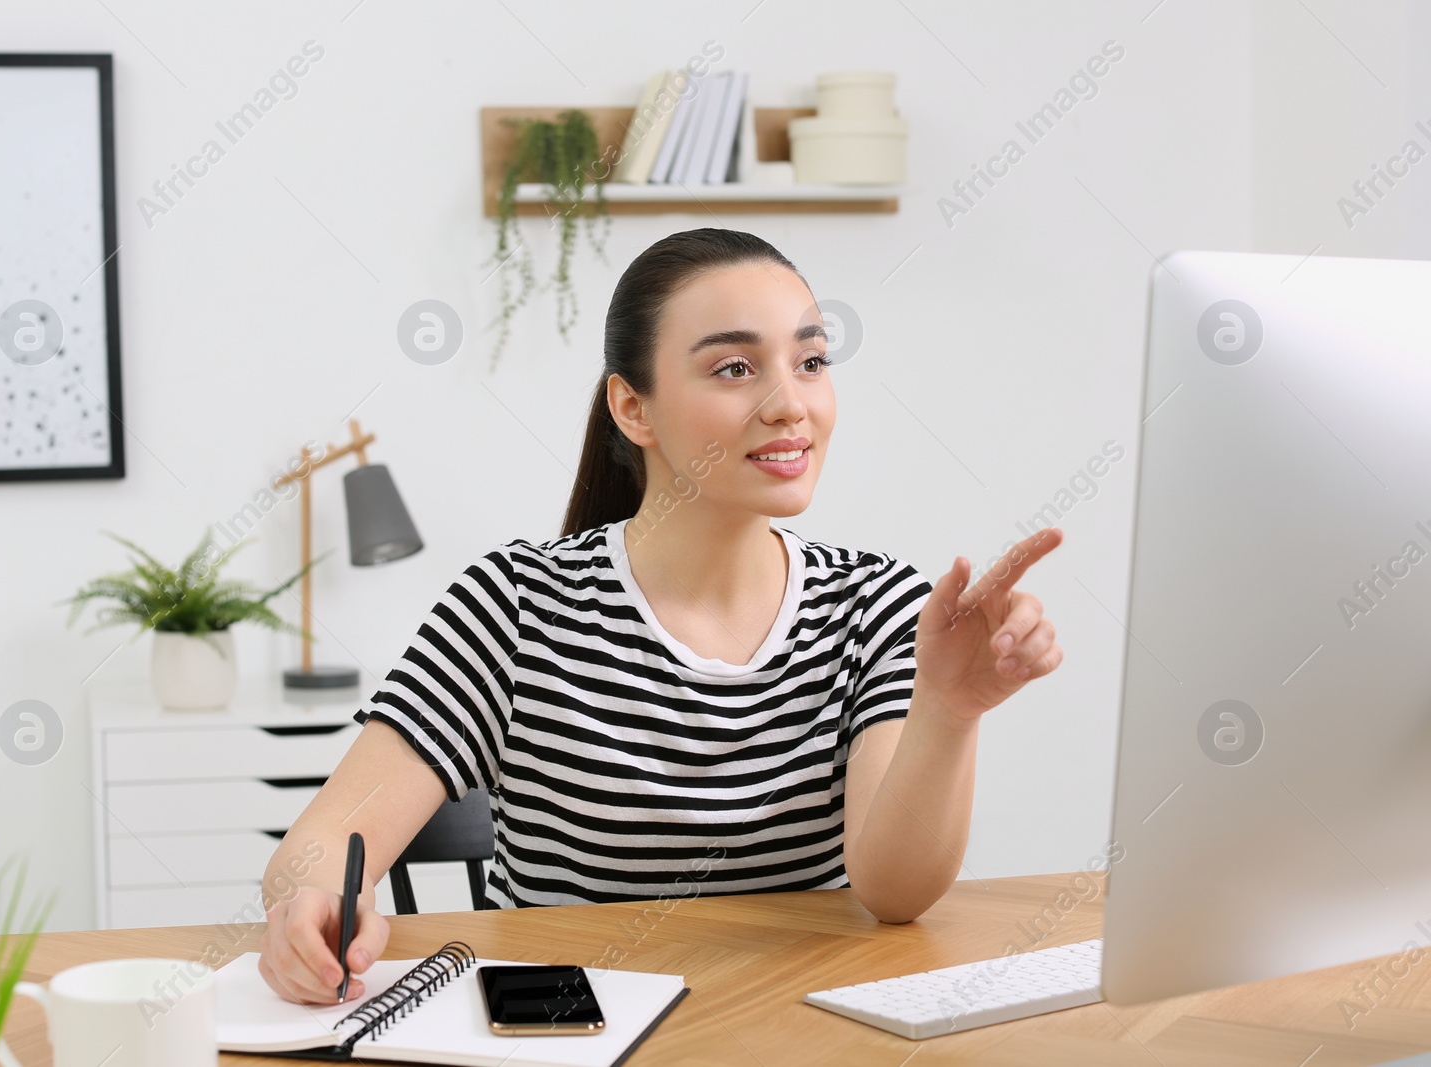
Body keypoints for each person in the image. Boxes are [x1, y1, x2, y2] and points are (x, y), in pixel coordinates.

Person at [256, 227, 1064, 1004]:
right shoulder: (515, 604)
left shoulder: (881, 608)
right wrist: (314, 902)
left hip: (795, 1035)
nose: (791, 404)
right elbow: (320, 848)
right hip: (567, 1041)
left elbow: (893, 892)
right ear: (633, 408)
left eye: (812, 360)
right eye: (736, 367)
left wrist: (950, 711)